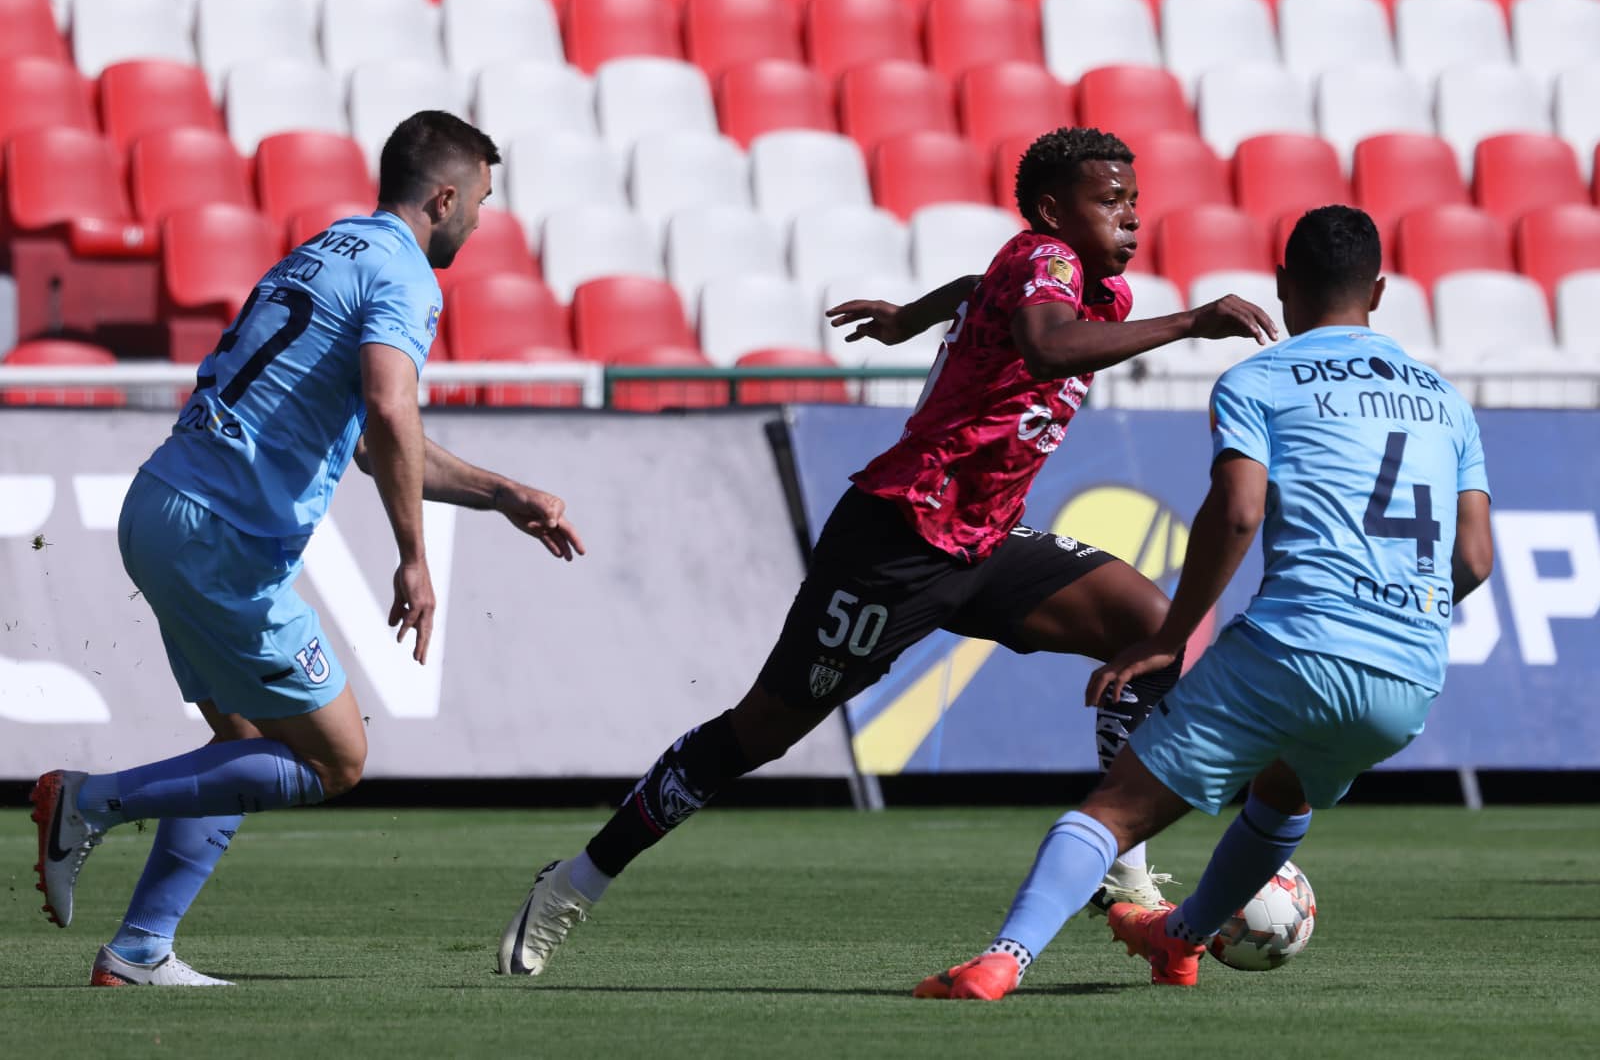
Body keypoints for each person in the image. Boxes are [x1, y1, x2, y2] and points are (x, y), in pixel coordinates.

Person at [496, 126, 1279, 978]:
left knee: (1153, 626)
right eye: (1110, 200)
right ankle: (574, 882)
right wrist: (1192, 323)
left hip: (982, 541)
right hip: (896, 540)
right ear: (1056, 211)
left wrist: (918, 314)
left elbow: (988, 289)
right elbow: (1046, 343)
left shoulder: (1089, 288)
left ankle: (1118, 868)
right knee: (755, 733)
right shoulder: (1045, 258)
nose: (1132, 216)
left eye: (1133, 199)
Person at [30, 111, 585, 987]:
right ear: (443, 197)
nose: (480, 221)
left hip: (162, 503)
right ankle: (87, 802)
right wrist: (414, 556)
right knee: (337, 758)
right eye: (478, 199)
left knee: (241, 745)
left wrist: (502, 494)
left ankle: (138, 950)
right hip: (225, 535)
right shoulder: (406, 274)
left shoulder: (333, 248)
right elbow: (391, 408)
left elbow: (372, 442)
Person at [914, 204, 1495, 1001]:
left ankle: (1001, 960)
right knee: (1286, 787)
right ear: (1382, 290)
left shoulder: (1260, 377)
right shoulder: (1446, 401)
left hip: (1295, 645)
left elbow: (1239, 511)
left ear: (1284, 285)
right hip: (1408, 674)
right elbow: (1473, 558)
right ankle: (1176, 940)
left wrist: (1172, 637)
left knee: (1114, 811)